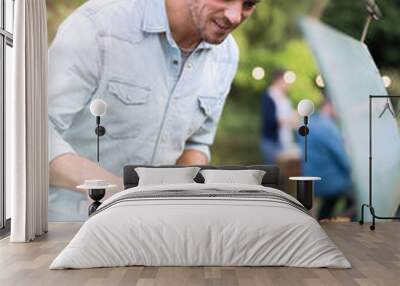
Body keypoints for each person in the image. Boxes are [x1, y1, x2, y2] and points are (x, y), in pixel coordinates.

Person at [48, 0, 259, 221]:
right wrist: (124, 197)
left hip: (153, 232)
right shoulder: (98, 26)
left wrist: (180, 201)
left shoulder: (226, 55)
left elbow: (197, 143)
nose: (236, 16)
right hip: (66, 228)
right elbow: (33, 137)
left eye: (249, 4)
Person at [297, 97, 355, 220]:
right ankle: (343, 224)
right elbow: (342, 158)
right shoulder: (327, 127)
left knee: (331, 203)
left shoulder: (309, 122)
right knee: (358, 197)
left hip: (311, 179)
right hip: (328, 181)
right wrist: (353, 169)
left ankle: (324, 220)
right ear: (329, 105)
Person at [260, 69, 299, 164]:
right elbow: (269, 120)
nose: (288, 84)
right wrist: (289, 120)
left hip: (285, 141)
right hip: (273, 142)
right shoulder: (269, 96)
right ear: (279, 80)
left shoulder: (285, 98)